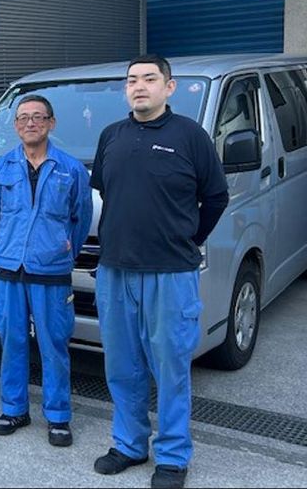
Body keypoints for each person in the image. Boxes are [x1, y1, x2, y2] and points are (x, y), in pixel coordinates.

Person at [90, 54, 228, 489]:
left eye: (150, 78)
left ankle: (172, 455)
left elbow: (216, 197)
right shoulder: (111, 136)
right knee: (122, 366)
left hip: (170, 273)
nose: (139, 86)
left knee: (170, 370)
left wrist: (188, 239)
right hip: (115, 271)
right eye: (132, 79)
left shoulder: (190, 136)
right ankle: (130, 443)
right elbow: (108, 194)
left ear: (169, 87)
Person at [0, 95, 92, 446]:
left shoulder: (71, 169)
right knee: (12, 342)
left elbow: (80, 220)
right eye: (23, 118)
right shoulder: (0, 169)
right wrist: (9, 248)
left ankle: (58, 416)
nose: (30, 123)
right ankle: (14, 409)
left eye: (38, 117)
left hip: (52, 271)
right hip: (9, 270)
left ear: (51, 123)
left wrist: (59, 249)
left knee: (54, 344)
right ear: (15, 125)